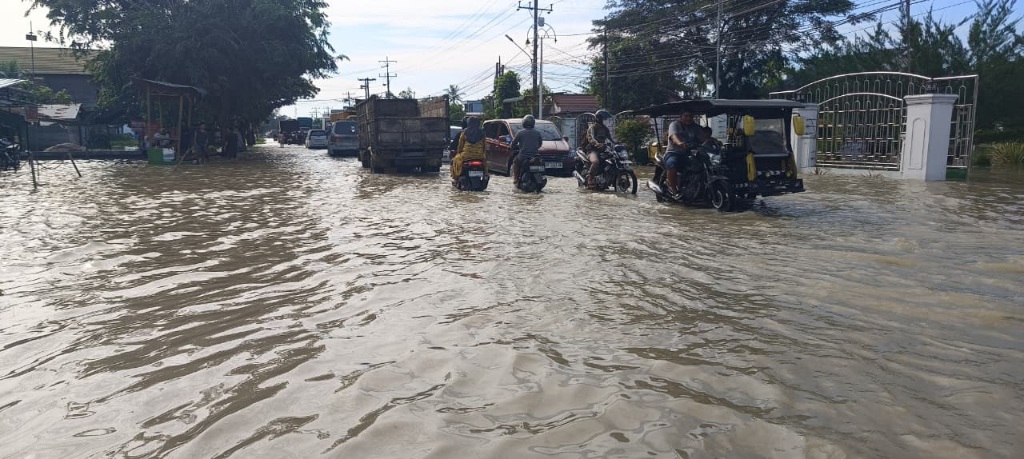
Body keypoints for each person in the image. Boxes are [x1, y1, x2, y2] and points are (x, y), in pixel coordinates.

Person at [664, 110, 706, 197]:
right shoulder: (675, 125)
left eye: (691, 116)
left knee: (702, 165)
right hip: (674, 153)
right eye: (686, 116)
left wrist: (714, 141)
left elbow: (703, 138)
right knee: (672, 164)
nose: (688, 118)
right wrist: (679, 143)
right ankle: (674, 189)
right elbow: (673, 136)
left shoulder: (695, 127)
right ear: (681, 117)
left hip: (690, 154)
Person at [582, 109, 616, 188]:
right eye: (602, 118)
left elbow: (611, 138)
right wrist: (597, 144)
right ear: (598, 118)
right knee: (596, 162)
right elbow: (591, 138)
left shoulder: (605, 129)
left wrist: (619, 143)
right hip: (592, 150)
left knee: (613, 160)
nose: (603, 120)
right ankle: (590, 178)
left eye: (604, 119)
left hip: (603, 150)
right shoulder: (592, 128)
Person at [510, 115, 543, 185]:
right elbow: (540, 144)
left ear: (524, 123)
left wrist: (512, 147)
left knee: (515, 162)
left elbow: (513, 144)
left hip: (523, 156)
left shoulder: (520, 133)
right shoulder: (538, 133)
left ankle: (516, 179)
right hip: (535, 156)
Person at [450, 116, 485, 180]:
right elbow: (484, 146)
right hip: (480, 156)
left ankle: (456, 176)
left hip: (466, 156)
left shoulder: (464, 132)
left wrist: (459, 153)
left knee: (455, 160)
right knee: (485, 164)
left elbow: (460, 146)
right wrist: (483, 155)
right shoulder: (482, 133)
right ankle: (485, 175)